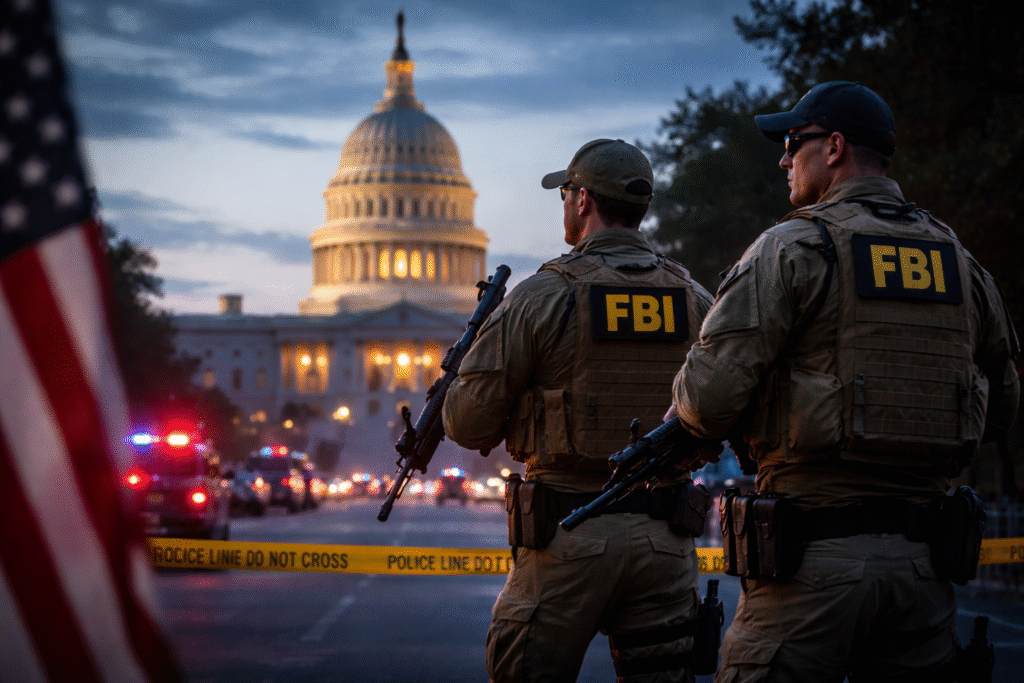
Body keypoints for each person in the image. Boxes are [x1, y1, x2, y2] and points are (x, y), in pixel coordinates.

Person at [671, 81, 1020, 681]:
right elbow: (1005, 406)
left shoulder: (792, 247)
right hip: (924, 571)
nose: (783, 159)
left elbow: (705, 402)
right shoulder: (957, 259)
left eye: (792, 143)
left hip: (810, 567)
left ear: (833, 147)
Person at [442, 139, 715, 682]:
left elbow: (466, 421)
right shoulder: (695, 299)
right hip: (666, 539)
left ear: (582, 200)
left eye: (566, 193)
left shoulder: (542, 295)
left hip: (570, 533)